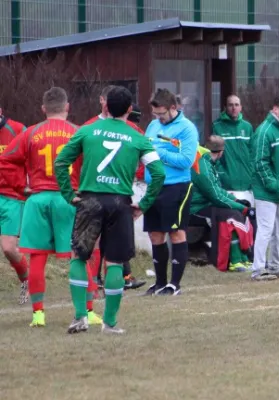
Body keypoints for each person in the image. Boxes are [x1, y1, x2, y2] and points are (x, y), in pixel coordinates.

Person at [54, 86, 165, 334]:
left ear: (105, 106)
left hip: (90, 200)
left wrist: (68, 194)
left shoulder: (86, 131)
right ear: (129, 109)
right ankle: (110, 323)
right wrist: (144, 204)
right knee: (115, 263)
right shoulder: (138, 137)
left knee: (79, 257)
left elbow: (61, 162)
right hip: (120, 203)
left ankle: (80, 317)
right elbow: (158, 173)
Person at [0, 87, 103, 327]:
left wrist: (19, 186)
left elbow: (5, 160)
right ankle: (88, 312)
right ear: (67, 107)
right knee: (79, 256)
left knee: (37, 258)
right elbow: (94, 164)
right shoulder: (79, 132)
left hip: (37, 199)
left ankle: (38, 315)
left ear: (43, 109)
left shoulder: (31, 133)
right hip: (69, 199)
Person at [84, 87, 146, 293]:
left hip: (120, 194)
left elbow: (144, 161)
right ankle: (94, 282)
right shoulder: (88, 127)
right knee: (94, 242)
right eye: (103, 99)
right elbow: (75, 160)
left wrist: (133, 174)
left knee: (117, 243)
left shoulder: (133, 131)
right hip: (94, 193)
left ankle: (122, 278)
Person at [143, 88, 198, 296]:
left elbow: (186, 161)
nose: (158, 118)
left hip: (176, 186)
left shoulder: (187, 129)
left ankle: (175, 284)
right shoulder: (153, 125)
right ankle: (159, 283)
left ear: (173, 108)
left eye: (161, 114)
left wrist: (159, 152)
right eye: (155, 115)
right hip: (153, 187)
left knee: (176, 232)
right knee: (155, 234)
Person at [189, 135, 256, 272]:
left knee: (237, 212)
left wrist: (237, 201)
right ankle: (234, 261)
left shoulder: (208, 163)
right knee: (232, 216)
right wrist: (242, 209)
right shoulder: (203, 166)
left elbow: (218, 190)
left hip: (207, 204)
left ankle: (245, 257)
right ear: (221, 152)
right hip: (196, 208)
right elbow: (216, 197)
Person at [250, 97, 279, 281]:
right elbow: (259, 163)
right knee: (266, 229)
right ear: (275, 109)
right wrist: (272, 184)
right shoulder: (264, 132)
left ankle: (275, 265)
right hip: (266, 192)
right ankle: (258, 269)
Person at [0, 105, 29, 304]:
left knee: (9, 248)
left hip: (11, 196)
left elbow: (32, 156)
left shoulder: (18, 130)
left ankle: (27, 279)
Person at [212, 94, 255, 205]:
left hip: (247, 186)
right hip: (227, 187)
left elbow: (253, 154)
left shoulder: (247, 127)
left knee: (247, 220)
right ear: (225, 107)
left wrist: (251, 175)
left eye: (236, 105)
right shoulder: (217, 126)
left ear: (241, 107)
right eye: (230, 105)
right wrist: (223, 175)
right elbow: (212, 157)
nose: (234, 108)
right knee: (231, 221)